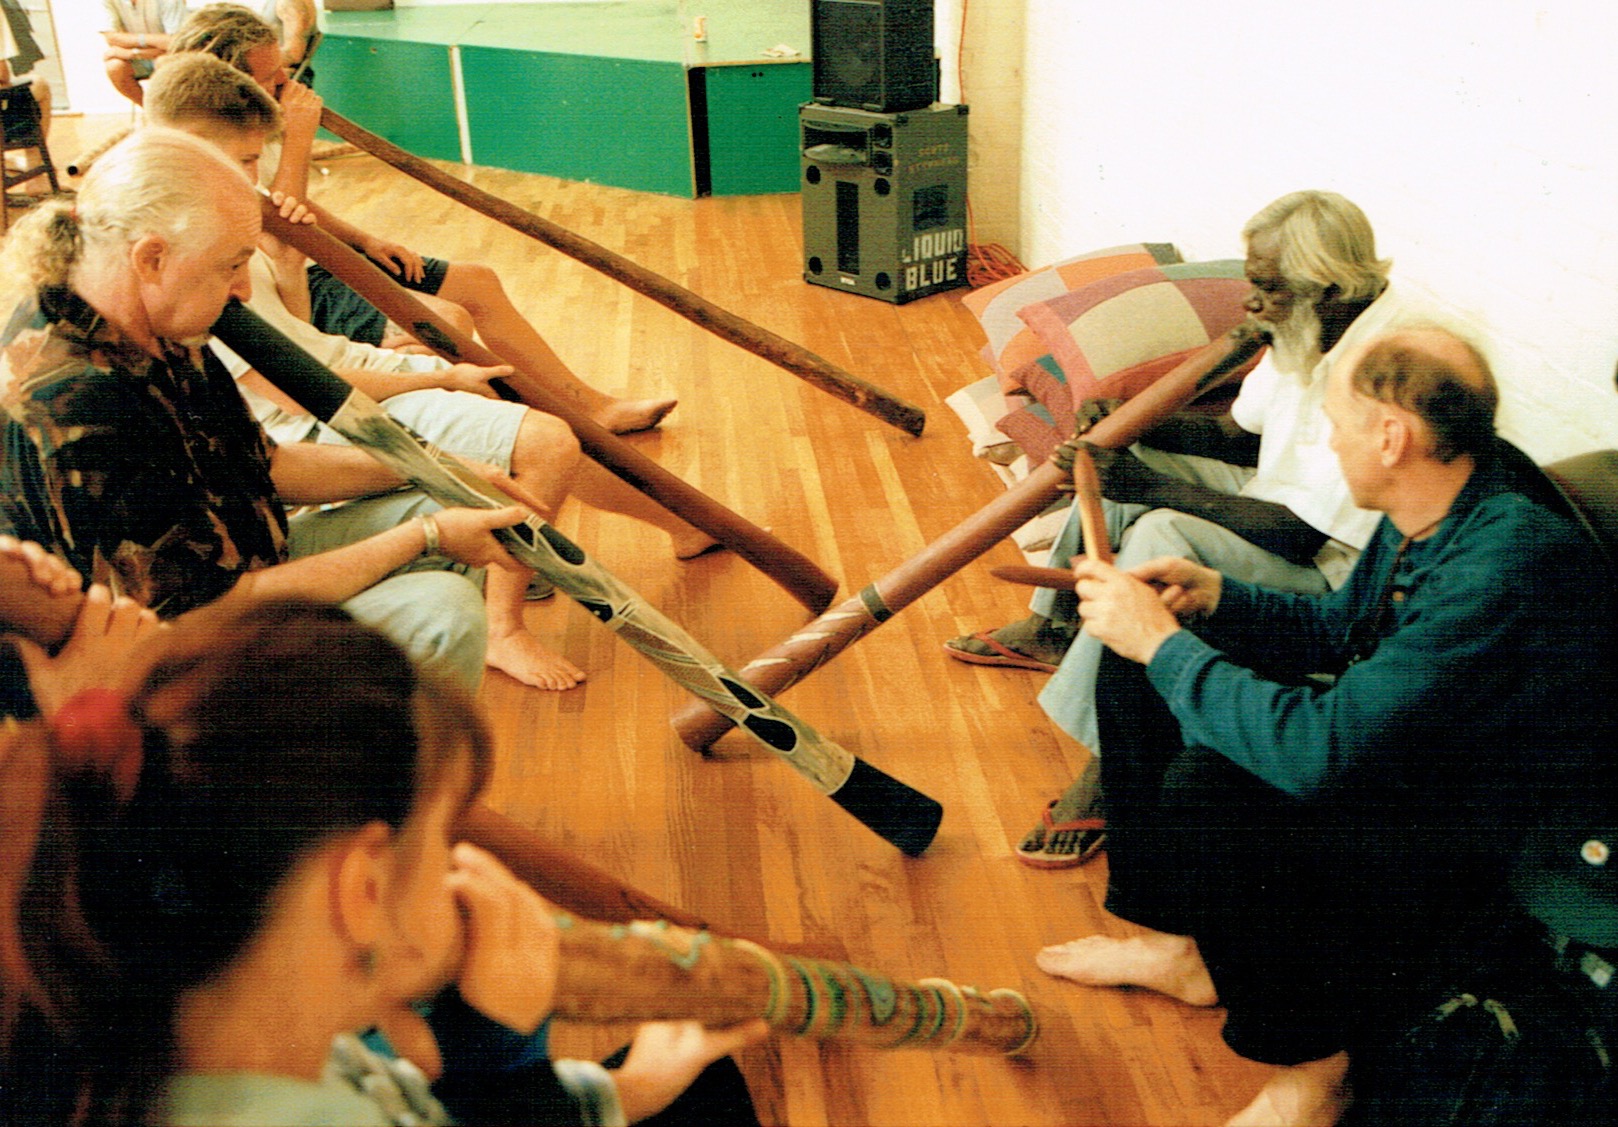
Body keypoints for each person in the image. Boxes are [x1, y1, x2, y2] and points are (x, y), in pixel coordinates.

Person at [1035, 327, 1617, 1125]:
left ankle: (1313, 1071)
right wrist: (1214, 597)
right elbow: (1342, 628)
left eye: (1336, 421)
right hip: (1400, 754)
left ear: (1392, 436)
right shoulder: (1438, 492)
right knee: (1136, 663)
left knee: (1213, 782)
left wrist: (1163, 640)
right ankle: (1188, 949)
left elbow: (1321, 753)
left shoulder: (1506, 557)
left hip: (1477, 841)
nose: (1327, 438)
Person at [0, 598, 765, 1125]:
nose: (459, 867)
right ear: (363, 888)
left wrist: (629, 1086)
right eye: (441, 843)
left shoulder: (153, 1019)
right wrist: (505, 1049)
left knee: (696, 1084)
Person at [142, 53, 722, 690]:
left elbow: (295, 329)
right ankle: (504, 628)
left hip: (346, 379)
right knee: (543, 440)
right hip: (328, 411)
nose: (257, 174)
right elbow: (300, 399)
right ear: (192, 149)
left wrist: (283, 264)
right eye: (249, 160)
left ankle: (676, 520)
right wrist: (436, 377)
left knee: (520, 416)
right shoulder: (188, 257)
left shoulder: (221, 212)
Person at [948, 191, 1437, 868]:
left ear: (1325, 287)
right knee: (1121, 452)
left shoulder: (1388, 364)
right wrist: (1133, 421)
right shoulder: (1307, 320)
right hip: (1275, 503)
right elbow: (1240, 435)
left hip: (1331, 562)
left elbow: (1302, 534)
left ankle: (1107, 768)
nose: (1251, 306)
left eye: (1265, 289)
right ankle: (1057, 623)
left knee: (1160, 533)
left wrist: (1149, 489)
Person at [0, 126, 534, 692]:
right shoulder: (77, 400)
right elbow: (201, 612)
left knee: (460, 505)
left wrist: (441, 471)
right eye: (231, 266)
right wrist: (425, 535)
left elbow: (266, 464)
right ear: (151, 257)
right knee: (441, 610)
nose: (244, 290)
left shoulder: (157, 317)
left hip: (248, 559)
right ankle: (357, 773)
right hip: (172, 664)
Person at [167, 3, 680, 437]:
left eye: (282, 70)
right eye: (269, 76)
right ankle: (528, 431)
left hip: (314, 252)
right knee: (444, 325)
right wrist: (300, 138)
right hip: (289, 271)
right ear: (227, 81)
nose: (286, 82)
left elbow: (293, 207)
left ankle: (585, 405)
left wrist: (366, 240)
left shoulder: (258, 119)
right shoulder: (229, 137)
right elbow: (280, 221)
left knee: (476, 283)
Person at [100, 0, 190, 104]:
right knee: (114, 66)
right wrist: (157, 41)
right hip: (141, 58)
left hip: (168, 56)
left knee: (163, 62)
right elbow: (113, 39)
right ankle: (150, 112)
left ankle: (168, 113)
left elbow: (176, 44)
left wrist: (132, 52)